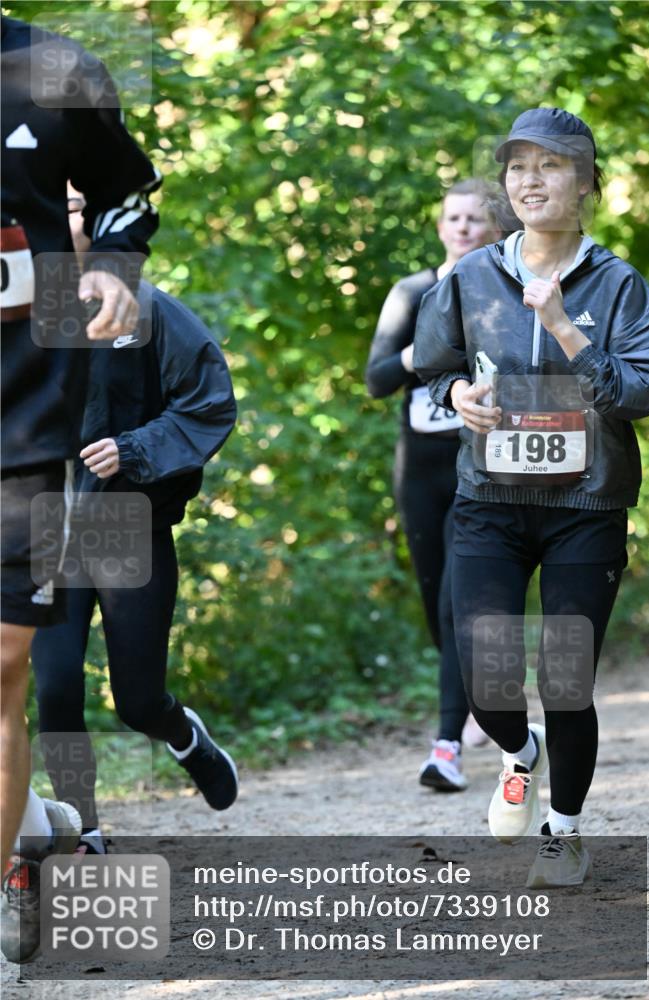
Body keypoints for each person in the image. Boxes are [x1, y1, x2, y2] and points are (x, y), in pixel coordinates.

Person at [414, 107, 649, 886]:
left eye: (549, 165)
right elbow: (430, 363)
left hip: (584, 509)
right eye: (518, 165)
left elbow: (645, 391)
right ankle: (517, 753)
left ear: (585, 182)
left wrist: (565, 329)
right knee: (486, 674)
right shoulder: (469, 275)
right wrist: (458, 393)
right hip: (488, 499)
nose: (530, 179)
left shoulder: (619, 284)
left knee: (563, 676)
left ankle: (562, 832)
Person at [1, 14, 160, 962]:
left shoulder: (54, 68)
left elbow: (128, 190)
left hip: (23, 416)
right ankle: (26, 825)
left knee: (4, 667)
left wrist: (109, 268)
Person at [31, 187, 238, 860]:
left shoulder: (149, 312)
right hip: (43, 531)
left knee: (136, 701)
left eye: (75, 205)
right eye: (52, 204)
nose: (62, 217)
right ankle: (84, 827)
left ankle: (184, 736)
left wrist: (135, 449)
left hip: (127, 526)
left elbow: (207, 404)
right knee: (56, 688)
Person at [366, 181, 511, 792]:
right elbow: (375, 379)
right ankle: (478, 698)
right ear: (440, 226)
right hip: (420, 471)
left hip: (483, 468)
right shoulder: (413, 292)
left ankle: (446, 745)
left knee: (460, 603)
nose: (463, 227)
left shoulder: (508, 293)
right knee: (436, 605)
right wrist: (420, 354)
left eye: (476, 219)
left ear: (497, 230)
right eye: (453, 217)